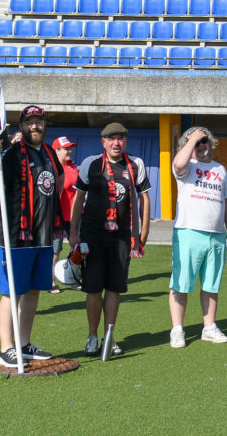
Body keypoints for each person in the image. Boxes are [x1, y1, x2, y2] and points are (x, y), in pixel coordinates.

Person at [0, 105, 62, 368]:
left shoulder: (50, 152)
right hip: (16, 236)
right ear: (21, 126)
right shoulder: (11, 155)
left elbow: (57, 184)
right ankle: (6, 348)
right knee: (11, 292)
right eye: (29, 122)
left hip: (43, 236)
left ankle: (24, 344)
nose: (35, 126)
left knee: (32, 292)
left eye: (38, 122)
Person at [69, 122, 151, 356]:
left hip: (123, 237)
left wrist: (143, 232)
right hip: (93, 235)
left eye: (121, 138)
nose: (117, 143)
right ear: (103, 142)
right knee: (93, 288)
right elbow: (78, 198)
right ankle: (92, 337)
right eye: (111, 138)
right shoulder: (90, 163)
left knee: (114, 288)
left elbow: (144, 198)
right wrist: (74, 231)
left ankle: (109, 337)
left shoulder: (136, 164)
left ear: (125, 141)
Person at [169, 126, 227, 348]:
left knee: (211, 284)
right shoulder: (186, 165)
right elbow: (178, 164)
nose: (201, 145)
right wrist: (191, 139)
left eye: (204, 140)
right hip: (189, 232)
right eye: (196, 142)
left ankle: (209, 327)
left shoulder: (220, 169)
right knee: (181, 283)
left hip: (216, 235)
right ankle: (177, 329)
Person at [49, 136, 79, 293]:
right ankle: (51, 282)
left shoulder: (73, 167)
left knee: (77, 248)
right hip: (57, 217)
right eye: (66, 148)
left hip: (74, 217)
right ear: (57, 151)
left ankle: (72, 278)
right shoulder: (52, 169)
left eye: (70, 148)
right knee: (55, 250)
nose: (70, 151)